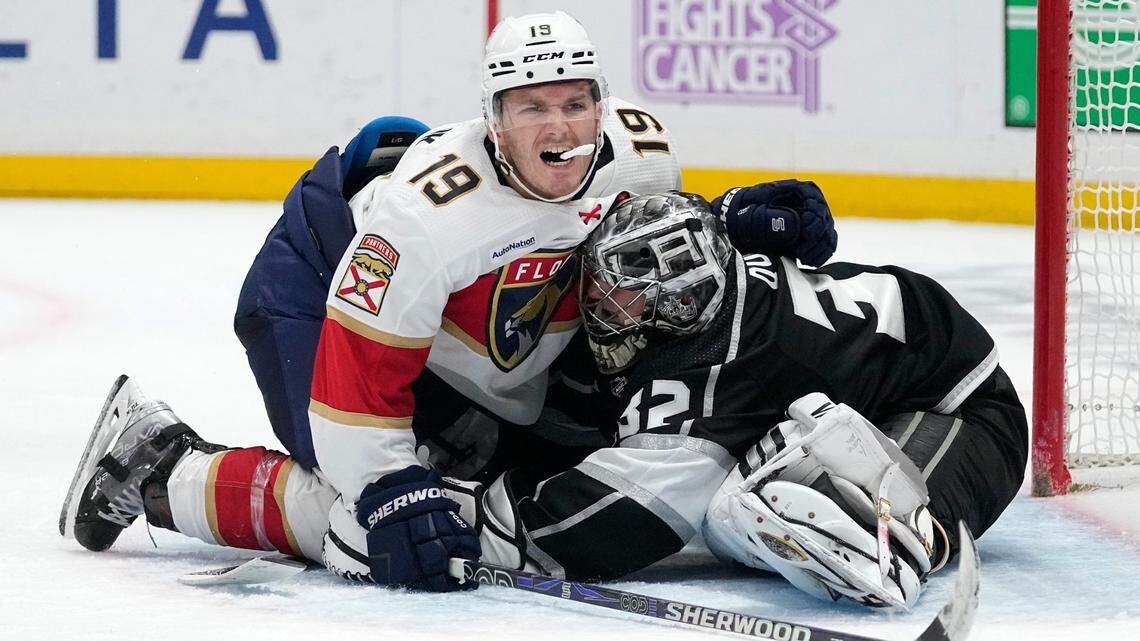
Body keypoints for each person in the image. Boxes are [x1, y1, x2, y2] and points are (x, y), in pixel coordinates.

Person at [60, 12, 838, 592]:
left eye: (575, 104)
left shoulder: (642, 151)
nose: (560, 128)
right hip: (318, 286)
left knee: (532, 464)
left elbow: (631, 236)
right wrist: (390, 487)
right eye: (532, 107)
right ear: (493, 120)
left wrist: (726, 212)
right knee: (365, 522)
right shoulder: (427, 223)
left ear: (604, 106)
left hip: (456, 333)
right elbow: (353, 398)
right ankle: (158, 465)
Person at [568, 191, 1027, 608]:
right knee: (735, 501)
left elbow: (628, 516)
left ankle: (902, 538)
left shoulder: (730, 360)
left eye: (624, 280)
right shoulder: (715, 293)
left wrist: (499, 530)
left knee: (866, 530)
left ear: (679, 294)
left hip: (962, 410)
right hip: (882, 385)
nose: (595, 296)